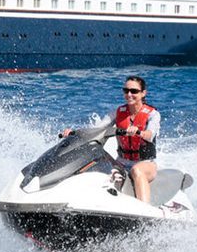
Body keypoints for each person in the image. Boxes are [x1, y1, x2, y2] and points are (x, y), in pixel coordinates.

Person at [60, 75, 161, 203]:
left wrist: (139, 132)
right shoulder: (118, 112)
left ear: (143, 93)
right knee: (95, 161)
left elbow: (150, 134)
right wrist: (74, 132)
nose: (129, 94)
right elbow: (96, 129)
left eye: (134, 91)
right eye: (126, 91)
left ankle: (145, 211)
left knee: (137, 170)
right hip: (122, 162)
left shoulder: (153, 114)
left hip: (145, 163)